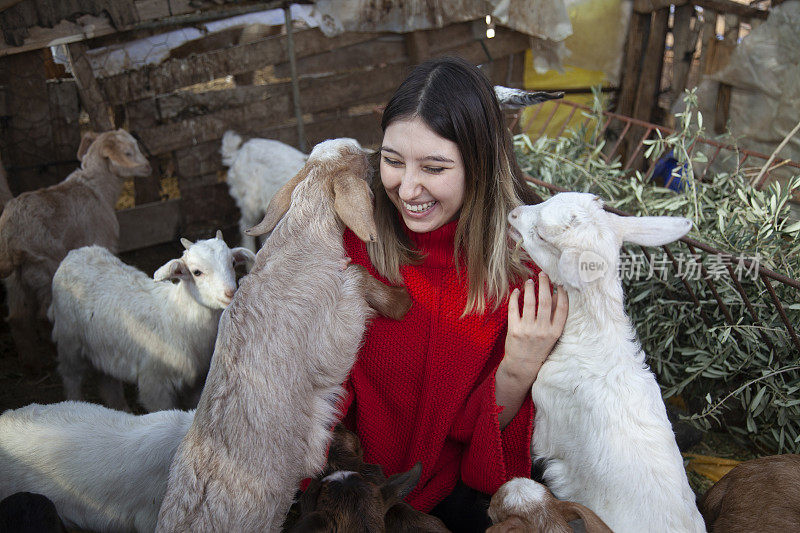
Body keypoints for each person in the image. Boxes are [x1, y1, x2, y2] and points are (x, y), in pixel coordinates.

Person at [338, 56, 569, 532]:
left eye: (434, 167)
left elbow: (471, 436)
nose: (407, 188)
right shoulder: (353, 243)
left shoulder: (520, 271)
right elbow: (318, 382)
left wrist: (520, 365)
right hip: (352, 488)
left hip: (454, 494)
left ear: (479, 165)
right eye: (392, 160)